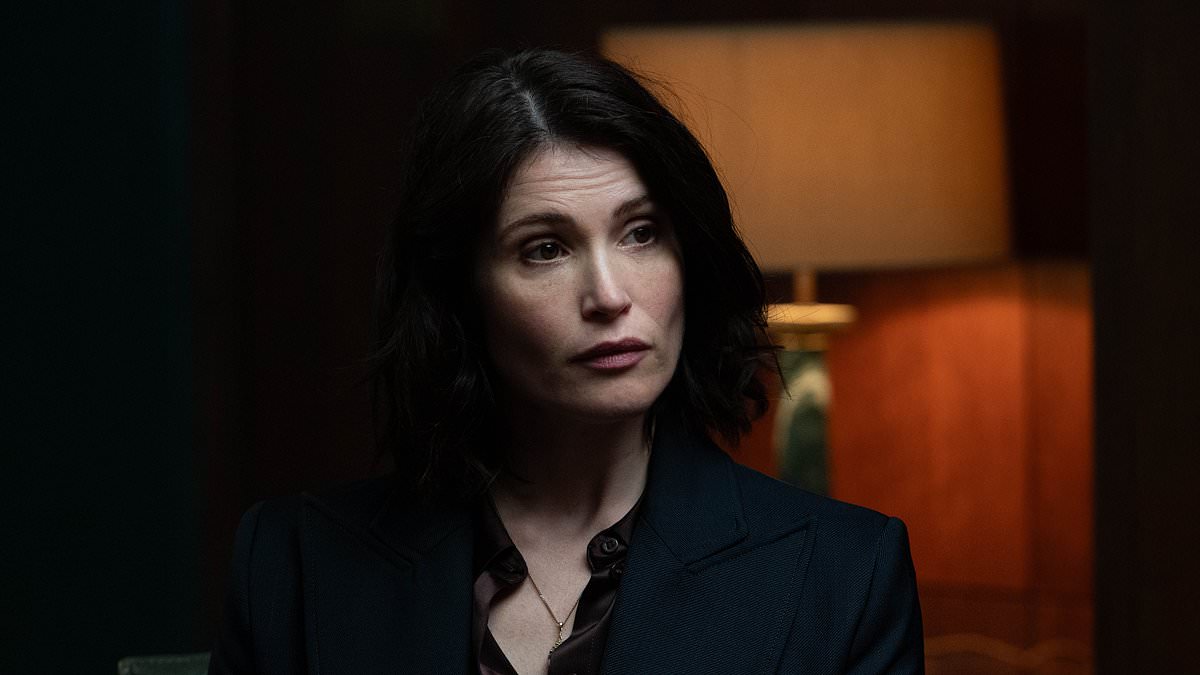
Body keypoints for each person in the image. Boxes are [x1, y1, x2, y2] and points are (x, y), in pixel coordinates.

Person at [209, 48, 923, 675]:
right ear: (461, 291)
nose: (609, 296)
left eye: (641, 233)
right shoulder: (294, 564)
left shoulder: (845, 572)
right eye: (545, 249)